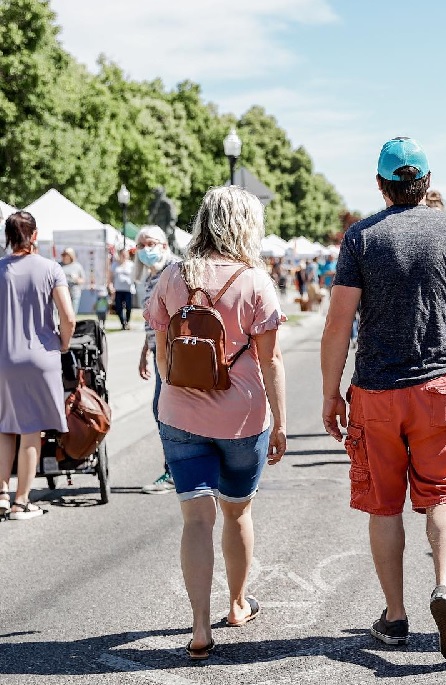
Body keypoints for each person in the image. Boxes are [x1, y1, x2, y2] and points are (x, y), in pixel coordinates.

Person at [320, 136, 446, 664]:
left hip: (376, 391)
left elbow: (338, 324)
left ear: (381, 185)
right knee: (445, 495)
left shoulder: (360, 239)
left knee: (384, 505)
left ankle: (395, 616)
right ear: (425, 182)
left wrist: (331, 392)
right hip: (437, 389)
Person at [144, 186, 287, 660]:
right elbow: (271, 361)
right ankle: (238, 604)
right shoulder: (255, 283)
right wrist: (282, 421)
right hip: (243, 417)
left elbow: (162, 357)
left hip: (180, 414)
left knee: (195, 521)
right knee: (237, 511)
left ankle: (200, 629)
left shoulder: (172, 276)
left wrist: (183, 390)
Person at [0, 211, 76, 520]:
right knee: (30, 431)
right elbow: (68, 317)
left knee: (5, 428)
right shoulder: (50, 268)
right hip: (39, 357)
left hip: (3, 357)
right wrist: (63, 343)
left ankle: (2, 495)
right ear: (34, 235)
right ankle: (21, 501)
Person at [134, 226, 180, 495]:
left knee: (164, 409)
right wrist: (145, 350)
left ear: (164, 245)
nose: (145, 249)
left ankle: (175, 470)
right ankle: (177, 468)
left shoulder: (171, 271)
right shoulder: (151, 277)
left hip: (174, 352)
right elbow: (154, 319)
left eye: (150, 243)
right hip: (157, 351)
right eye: (141, 245)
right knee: (163, 410)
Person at [110, 248, 136, 330]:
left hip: (128, 289)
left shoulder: (131, 265)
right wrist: (111, 286)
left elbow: (135, 276)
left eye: (125, 254)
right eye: (122, 254)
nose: (124, 256)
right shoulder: (115, 265)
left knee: (128, 307)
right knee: (118, 307)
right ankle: (123, 323)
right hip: (118, 289)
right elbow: (111, 277)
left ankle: (127, 321)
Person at [60, 248, 85, 315]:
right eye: (63, 255)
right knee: (62, 313)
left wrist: (76, 279)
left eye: (66, 255)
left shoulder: (77, 266)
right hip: (62, 293)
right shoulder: (59, 266)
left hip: (74, 293)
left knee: (72, 314)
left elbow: (83, 280)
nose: (64, 257)